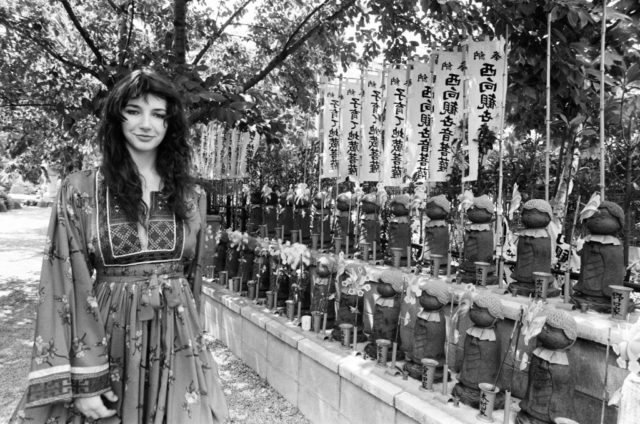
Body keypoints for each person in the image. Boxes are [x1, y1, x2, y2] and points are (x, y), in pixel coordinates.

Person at [11, 69, 229, 423]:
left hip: (179, 343)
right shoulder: (80, 190)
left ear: (170, 124)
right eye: (134, 111)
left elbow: (194, 284)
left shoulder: (192, 196)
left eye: (159, 115)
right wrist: (85, 379)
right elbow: (65, 284)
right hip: (109, 343)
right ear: (116, 116)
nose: (147, 124)